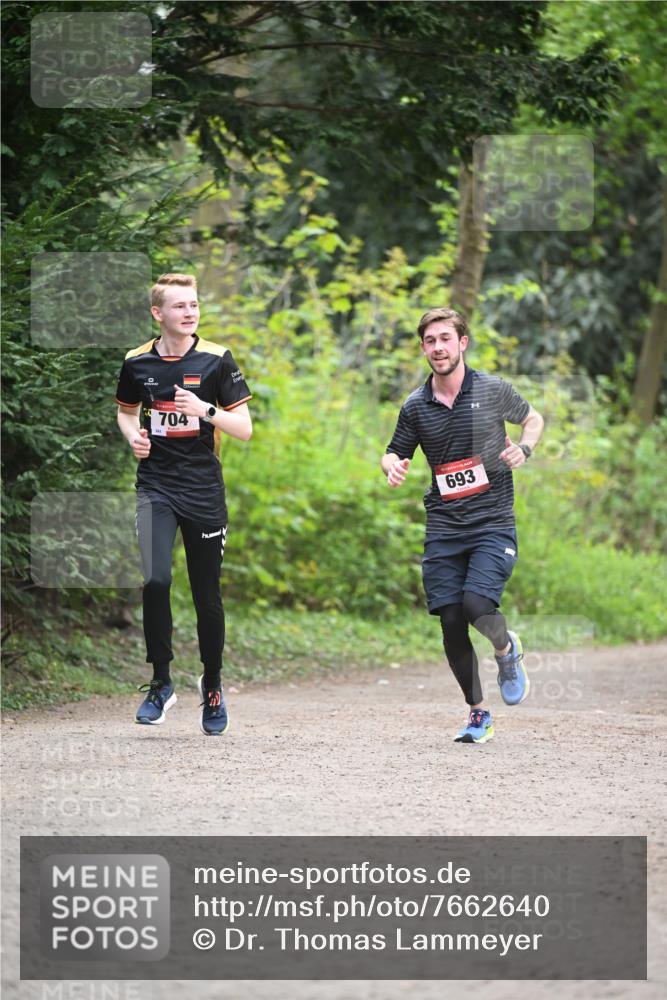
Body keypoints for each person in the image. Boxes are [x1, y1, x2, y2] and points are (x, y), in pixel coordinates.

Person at [381, 308, 544, 744]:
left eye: (445, 338)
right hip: (445, 527)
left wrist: (524, 450)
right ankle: (478, 713)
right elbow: (394, 452)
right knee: (451, 621)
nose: (438, 347)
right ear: (423, 348)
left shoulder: (492, 390)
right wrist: (391, 466)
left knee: (476, 607)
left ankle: (506, 649)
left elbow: (533, 419)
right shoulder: (416, 405)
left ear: (462, 342)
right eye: (430, 341)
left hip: (492, 523)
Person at [116, 273, 252, 735]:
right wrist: (133, 436)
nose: (189, 312)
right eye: (179, 306)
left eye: (193, 304)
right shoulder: (136, 362)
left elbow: (245, 429)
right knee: (155, 578)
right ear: (158, 314)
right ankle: (160, 682)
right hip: (155, 485)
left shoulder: (216, 360)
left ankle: (212, 685)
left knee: (205, 594)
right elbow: (126, 411)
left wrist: (206, 411)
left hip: (203, 491)